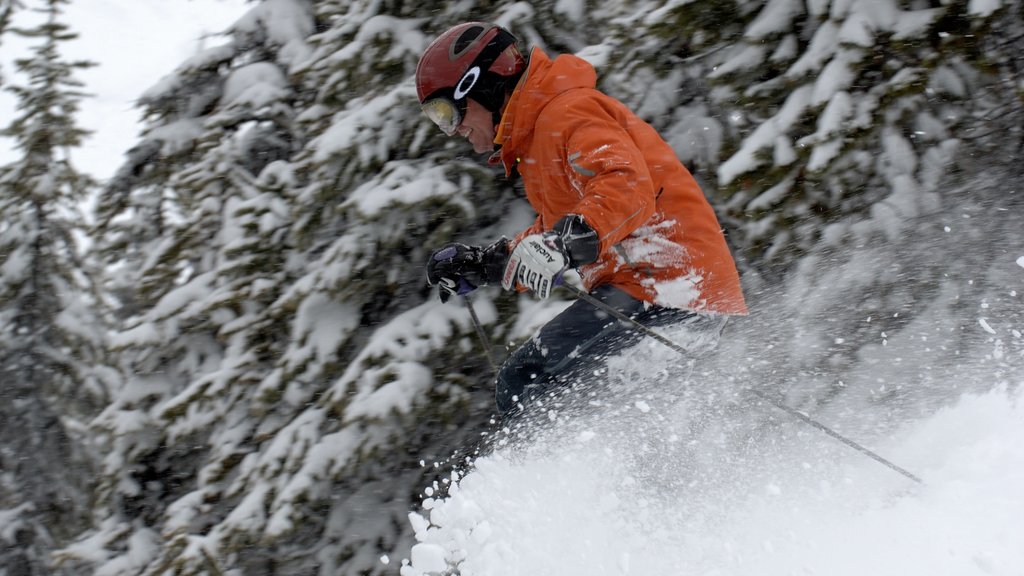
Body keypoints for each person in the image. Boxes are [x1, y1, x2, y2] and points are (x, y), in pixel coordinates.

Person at [416, 22, 747, 416]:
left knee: (528, 382)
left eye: (446, 112)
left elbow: (624, 183)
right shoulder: (539, 134)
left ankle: (545, 476)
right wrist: (487, 264)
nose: (452, 130)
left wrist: (567, 242)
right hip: (655, 291)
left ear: (480, 86)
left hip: (667, 288)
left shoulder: (568, 111)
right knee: (611, 414)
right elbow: (559, 226)